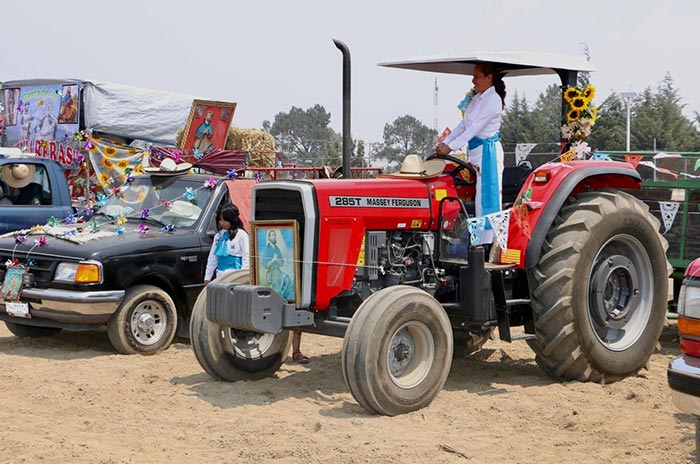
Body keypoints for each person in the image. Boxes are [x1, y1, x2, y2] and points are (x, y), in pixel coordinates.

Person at [435, 61, 506, 245]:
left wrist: (450, 148)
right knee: (477, 197)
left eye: (477, 76)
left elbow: (474, 128)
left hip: (487, 153)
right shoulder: (477, 99)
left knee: (487, 198)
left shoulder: (493, 100)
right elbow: (463, 125)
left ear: (489, 78)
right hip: (476, 153)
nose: (473, 80)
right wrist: (445, 143)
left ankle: (488, 243)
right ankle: (476, 242)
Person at [261, 229, 308, 364]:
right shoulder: (268, 249)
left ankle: (296, 351)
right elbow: (265, 264)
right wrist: (273, 262)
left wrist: (278, 261)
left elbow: (282, 262)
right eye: (272, 235)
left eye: (275, 234)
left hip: (282, 274)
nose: (274, 236)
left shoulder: (278, 248)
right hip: (274, 275)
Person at [204, 203, 249, 284]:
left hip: (235, 275)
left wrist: (243, 277)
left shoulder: (241, 235)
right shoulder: (218, 235)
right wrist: (208, 276)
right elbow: (213, 257)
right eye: (220, 220)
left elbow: (246, 257)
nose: (222, 223)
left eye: (225, 220)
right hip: (220, 275)